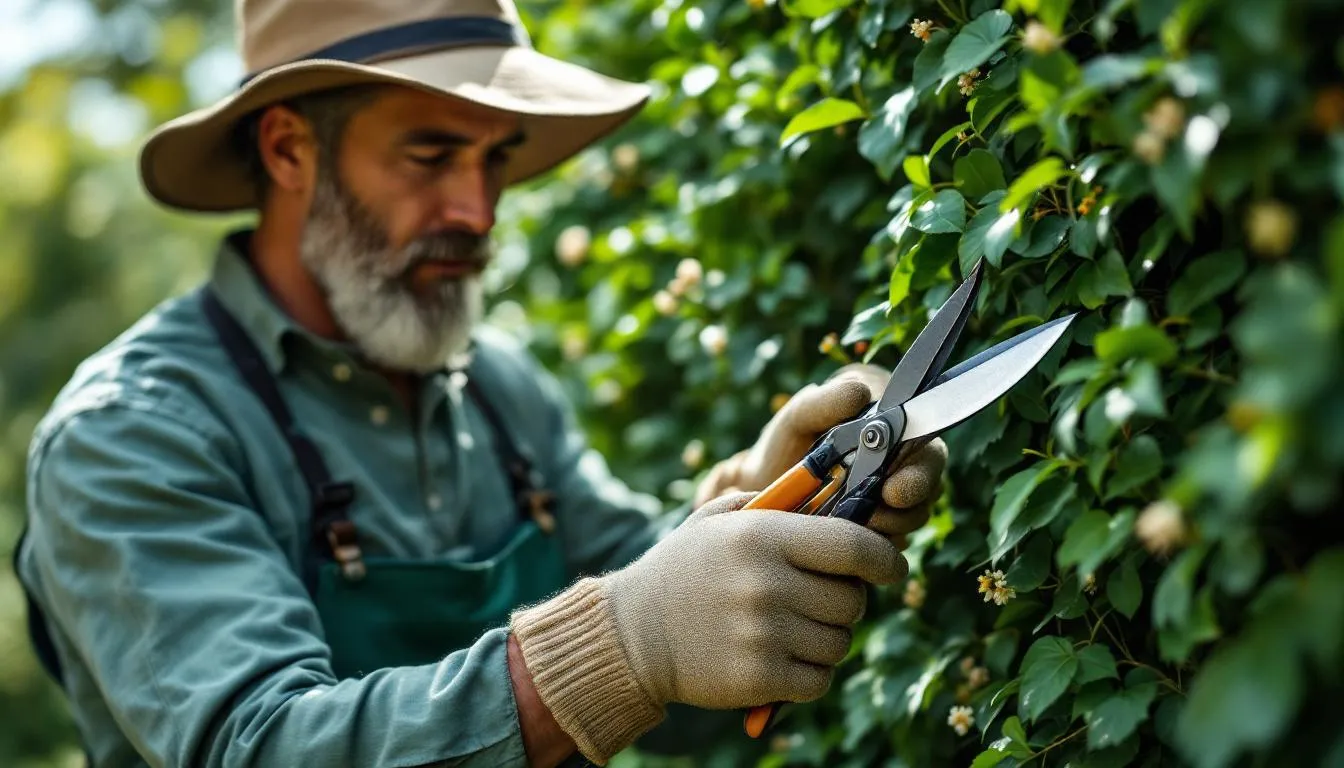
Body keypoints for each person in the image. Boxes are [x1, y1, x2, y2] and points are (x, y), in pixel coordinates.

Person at [12, 0, 949, 766]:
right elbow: (261, 747)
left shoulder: (497, 388)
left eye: (495, 156)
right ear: (289, 149)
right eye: (430, 156)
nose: (478, 209)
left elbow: (678, 655)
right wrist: (620, 646)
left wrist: (765, 506)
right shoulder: (132, 435)